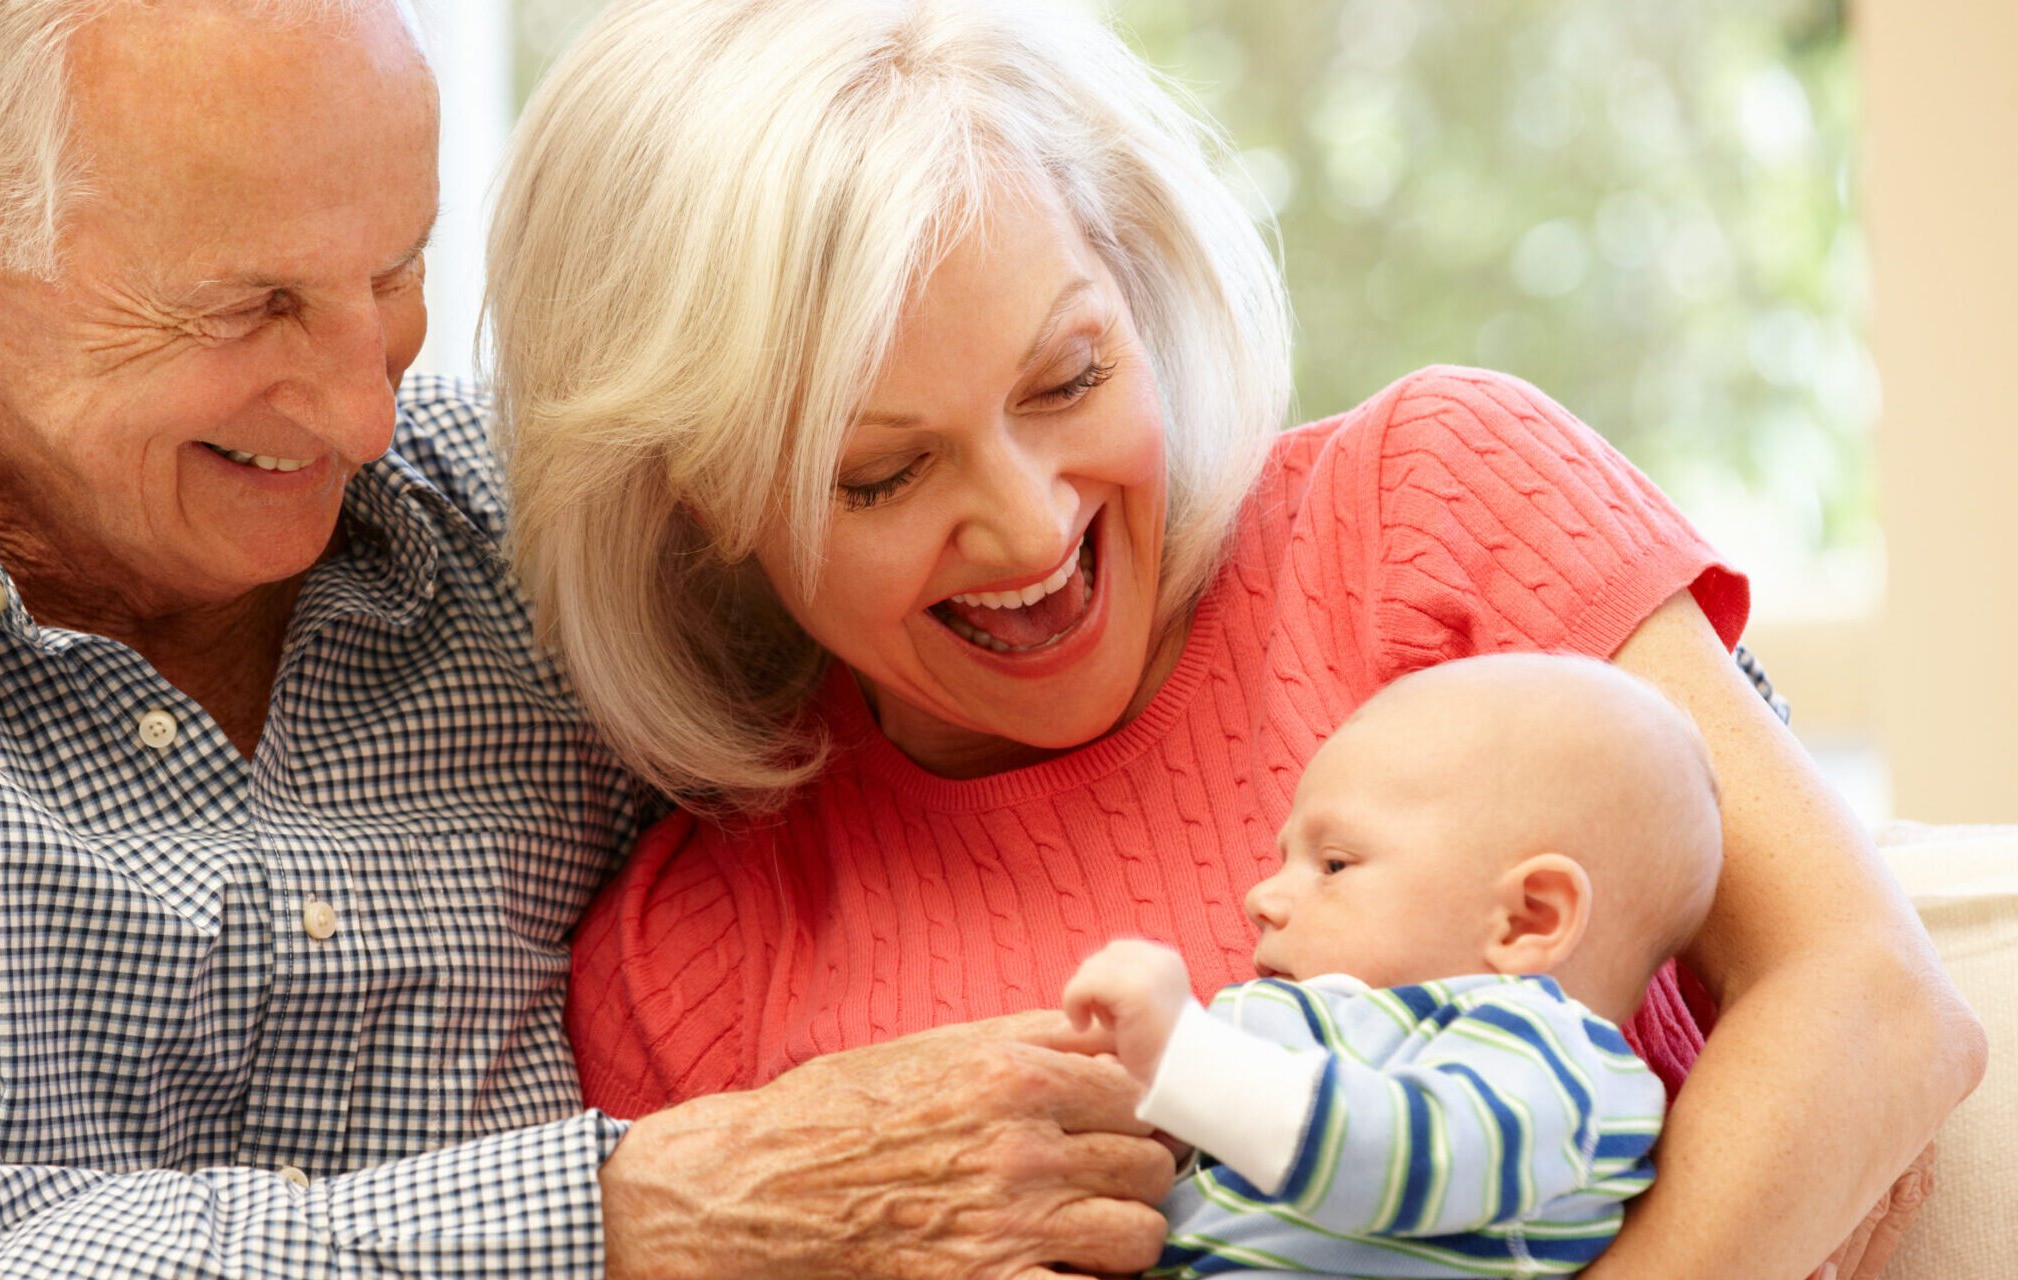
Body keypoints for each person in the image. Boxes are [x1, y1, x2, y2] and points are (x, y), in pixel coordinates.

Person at [0, 2, 1181, 1277]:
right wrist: (634, 1216)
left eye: (397, 271)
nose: (368, 407)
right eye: (256, 307)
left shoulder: (521, 538)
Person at [487, 0, 1984, 1276]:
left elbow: (1875, 1004)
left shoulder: (1430, 511)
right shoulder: (690, 964)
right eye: (883, 473)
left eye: (1068, 377)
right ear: (701, 506)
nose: (1026, 526)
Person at [1061, 653, 1726, 1276]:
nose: (1260, 898)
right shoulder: (1307, 1029)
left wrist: (1187, 1060)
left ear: (1530, 919)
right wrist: (1122, 1095)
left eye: (1334, 865)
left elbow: (1399, 1157)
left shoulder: (1559, 1069)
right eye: (1283, 859)